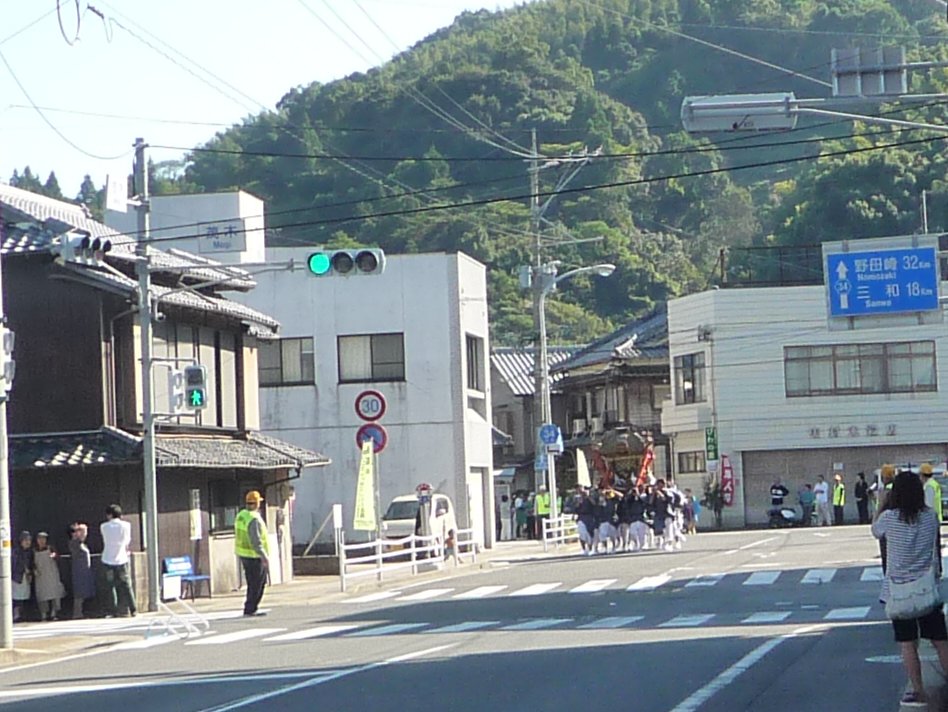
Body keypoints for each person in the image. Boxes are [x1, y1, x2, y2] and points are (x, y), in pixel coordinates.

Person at [871, 470, 948, 707]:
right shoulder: (931, 517)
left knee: (907, 643)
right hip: (926, 589)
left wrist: (881, 503)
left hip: (899, 591)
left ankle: (918, 690)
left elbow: (875, 530)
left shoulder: (889, 518)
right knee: (940, 640)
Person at [235, 490, 270, 617]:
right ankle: (251, 608)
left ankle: (250, 607)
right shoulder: (253, 519)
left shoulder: (241, 515)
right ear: (256, 504)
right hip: (254, 556)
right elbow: (256, 540)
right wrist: (264, 556)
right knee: (258, 583)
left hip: (244, 554)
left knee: (252, 582)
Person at [100, 504, 137, 618]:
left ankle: (112, 611)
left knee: (110, 586)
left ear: (109, 515)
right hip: (122, 558)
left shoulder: (104, 526)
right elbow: (127, 541)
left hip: (107, 558)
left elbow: (105, 540)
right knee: (126, 585)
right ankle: (133, 609)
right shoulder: (126, 525)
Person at [33, 532, 65, 621]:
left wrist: (55, 556)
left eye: (43, 539)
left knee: (55, 594)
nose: (41, 541)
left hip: (52, 574)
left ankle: (54, 613)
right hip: (41, 576)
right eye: (39, 539)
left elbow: (58, 558)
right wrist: (34, 570)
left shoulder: (51, 548)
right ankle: (43, 614)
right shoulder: (34, 550)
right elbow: (32, 563)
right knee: (42, 596)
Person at [69, 522, 95, 619]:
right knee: (79, 592)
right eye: (83, 532)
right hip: (78, 571)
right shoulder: (74, 543)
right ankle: (77, 613)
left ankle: (81, 612)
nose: (85, 534)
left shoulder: (82, 544)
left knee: (84, 592)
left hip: (85, 571)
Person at [921, 464, 943, 577]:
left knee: (932, 547)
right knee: (936, 546)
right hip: (936, 518)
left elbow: (928, 504)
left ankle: (935, 570)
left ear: (922, 475)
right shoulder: (934, 484)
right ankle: (938, 569)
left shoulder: (929, 486)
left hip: (930, 520)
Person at [11, 531, 33, 622]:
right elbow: (14, 564)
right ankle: (16, 615)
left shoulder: (29, 552)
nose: (28, 542)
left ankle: (22, 614)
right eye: (25, 540)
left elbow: (31, 564)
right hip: (17, 577)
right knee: (16, 596)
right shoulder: (16, 552)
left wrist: (30, 572)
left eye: (29, 540)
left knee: (24, 596)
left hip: (25, 577)